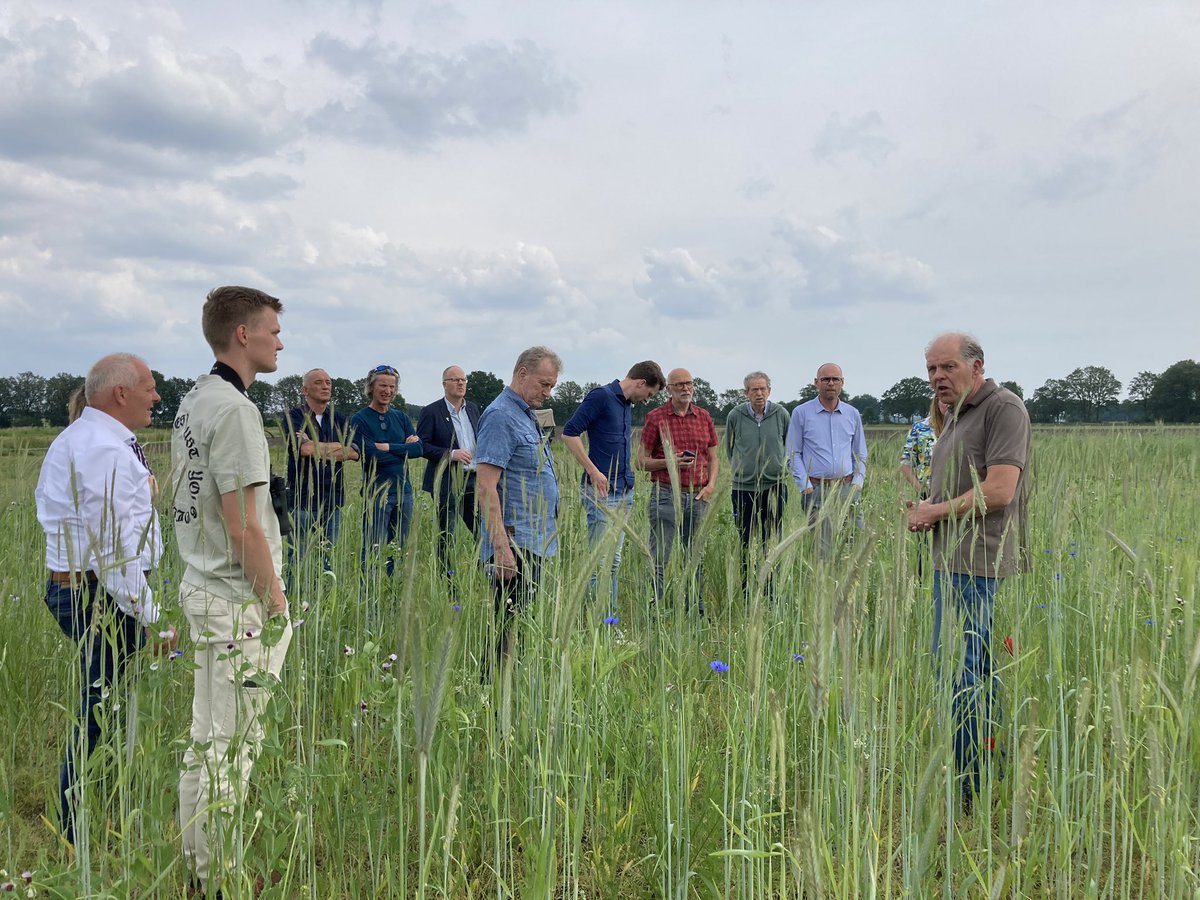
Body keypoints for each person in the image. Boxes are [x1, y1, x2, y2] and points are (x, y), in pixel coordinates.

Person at [171, 286, 293, 894]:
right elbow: (243, 522)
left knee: (206, 740)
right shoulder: (237, 412)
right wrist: (275, 603)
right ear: (242, 334)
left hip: (201, 584)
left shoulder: (194, 400)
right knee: (233, 745)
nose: (280, 340)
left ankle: (199, 869)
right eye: (272, 329)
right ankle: (221, 878)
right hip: (234, 598)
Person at [35, 353, 175, 849]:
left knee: (108, 703)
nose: (157, 397)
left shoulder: (96, 439)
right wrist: (154, 620)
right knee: (99, 707)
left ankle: (101, 806)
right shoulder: (100, 448)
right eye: (150, 387)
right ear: (121, 393)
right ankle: (77, 827)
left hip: (95, 586)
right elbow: (113, 551)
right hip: (98, 592)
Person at [906, 332, 1031, 810]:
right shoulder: (957, 414)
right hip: (950, 560)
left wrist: (934, 514)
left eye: (947, 368)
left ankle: (970, 786)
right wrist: (928, 506)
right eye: (932, 370)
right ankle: (983, 766)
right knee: (969, 670)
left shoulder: (1004, 409)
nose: (938, 377)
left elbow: (1000, 491)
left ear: (977, 366)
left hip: (978, 563)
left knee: (963, 672)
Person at [475, 346, 561, 663]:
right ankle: (495, 697)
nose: (548, 392)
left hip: (533, 539)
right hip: (514, 542)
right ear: (522, 374)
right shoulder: (500, 416)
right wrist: (501, 547)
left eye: (551, 386)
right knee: (505, 629)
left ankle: (511, 693)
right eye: (544, 384)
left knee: (518, 626)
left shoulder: (524, 414)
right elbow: (486, 486)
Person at [561, 361, 665, 613]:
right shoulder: (601, 397)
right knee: (599, 562)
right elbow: (569, 433)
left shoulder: (627, 405)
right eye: (649, 394)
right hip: (601, 492)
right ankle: (598, 621)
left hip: (624, 490)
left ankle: (610, 619)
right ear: (641, 382)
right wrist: (592, 470)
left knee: (614, 561)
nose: (646, 400)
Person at [636, 368, 719, 613]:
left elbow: (713, 457)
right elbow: (641, 462)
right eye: (679, 384)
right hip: (665, 494)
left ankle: (694, 607)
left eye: (689, 384)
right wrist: (669, 461)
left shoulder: (704, 417)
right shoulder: (656, 418)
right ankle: (657, 609)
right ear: (669, 389)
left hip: (698, 495)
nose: (686, 388)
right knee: (660, 556)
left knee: (695, 556)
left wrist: (711, 486)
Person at [281, 368, 359, 576]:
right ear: (305, 390)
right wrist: (337, 447)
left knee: (327, 559)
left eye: (328, 382)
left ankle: (321, 600)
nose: (325, 386)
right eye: (319, 383)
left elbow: (354, 452)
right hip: (302, 500)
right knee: (297, 558)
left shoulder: (340, 419)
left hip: (333, 499)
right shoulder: (294, 416)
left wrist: (317, 446)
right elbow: (303, 449)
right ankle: (296, 601)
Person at [785, 362, 867, 559]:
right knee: (823, 551)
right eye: (825, 379)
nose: (831, 383)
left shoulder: (852, 414)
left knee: (854, 546)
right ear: (816, 383)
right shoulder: (801, 413)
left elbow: (860, 453)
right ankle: (823, 587)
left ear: (842, 383)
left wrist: (857, 483)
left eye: (835, 379)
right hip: (816, 490)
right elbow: (794, 453)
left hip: (847, 489)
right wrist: (805, 486)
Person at [351, 366, 423, 578]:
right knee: (372, 547)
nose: (388, 391)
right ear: (371, 387)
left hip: (404, 493)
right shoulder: (359, 419)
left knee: (399, 547)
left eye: (392, 386)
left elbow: (419, 449)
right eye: (383, 385)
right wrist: (403, 449)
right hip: (376, 494)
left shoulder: (400, 417)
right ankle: (369, 595)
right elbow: (370, 454)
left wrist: (389, 447)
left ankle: (394, 595)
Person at [724, 371, 790, 600]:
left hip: (774, 485)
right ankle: (746, 589)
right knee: (745, 539)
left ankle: (771, 590)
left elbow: (788, 444)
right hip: (743, 487)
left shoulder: (781, 414)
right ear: (746, 393)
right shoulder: (735, 415)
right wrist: (741, 469)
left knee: (771, 540)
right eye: (754, 389)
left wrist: (779, 466)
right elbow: (729, 448)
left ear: (769, 391)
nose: (759, 393)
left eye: (763, 389)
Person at [416, 366, 481, 581]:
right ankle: (448, 580)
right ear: (444, 384)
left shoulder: (472, 409)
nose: (460, 383)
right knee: (447, 533)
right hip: (445, 481)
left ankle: (482, 574)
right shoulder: (431, 412)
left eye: (463, 380)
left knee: (482, 531)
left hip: (473, 479)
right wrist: (450, 454)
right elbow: (422, 446)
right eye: (455, 380)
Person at [899, 399, 948, 497]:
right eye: (944, 400)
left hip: (960, 495)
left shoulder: (966, 426)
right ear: (937, 402)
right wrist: (922, 490)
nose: (948, 404)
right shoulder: (920, 428)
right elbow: (905, 464)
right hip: (928, 494)